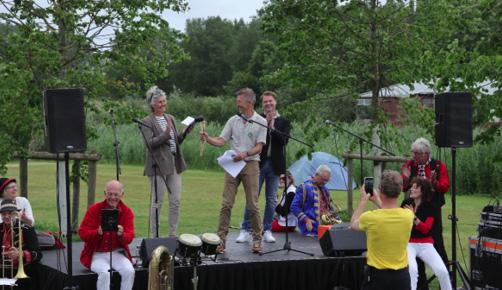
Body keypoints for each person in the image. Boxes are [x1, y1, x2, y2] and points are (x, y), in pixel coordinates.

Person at [200, 87, 267, 253]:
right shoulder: (233, 120)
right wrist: (208, 139)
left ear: (249, 102)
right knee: (226, 204)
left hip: (251, 164)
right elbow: (221, 141)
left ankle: (257, 239)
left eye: (239, 101)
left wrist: (246, 154)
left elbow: (259, 146)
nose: (237, 104)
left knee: (253, 205)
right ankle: (221, 241)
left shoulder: (261, 121)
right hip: (232, 164)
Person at [237, 91, 291, 243]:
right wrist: (265, 124)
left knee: (270, 198)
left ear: (275, 102)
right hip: (257, 163)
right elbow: (252, 139)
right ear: (262, 104)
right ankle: (246, 229)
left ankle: (267, 229)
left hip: (275, 165)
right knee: (252, 197)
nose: (268, 104)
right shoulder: (257, 119)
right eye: (265, 102)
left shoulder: (284, 121)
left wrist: (272, 127)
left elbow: (284, 141)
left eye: (270, 101)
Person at [141, 85, 193, 238]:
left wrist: (183, 134)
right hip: (158, 165)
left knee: (175, 201)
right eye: (159, 102)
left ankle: (172, 234)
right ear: (152, 104)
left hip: (174, 162)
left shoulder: (170, 118)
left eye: (164, 102)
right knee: (158, 202)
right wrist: (166, 133)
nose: (163, 104)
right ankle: (155, 236)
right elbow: (149, 143)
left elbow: (174, 141)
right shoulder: (147, 121)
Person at [350, 170, 414, 290]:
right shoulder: (408, 215)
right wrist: (377, 200)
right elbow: (390, 211)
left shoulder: (371, 217)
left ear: (380, 190)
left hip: (377, 277)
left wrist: (363, 201)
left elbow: (353, 224)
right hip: (401, 277)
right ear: (399, 191)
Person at [401, 137, 450, 289]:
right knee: (414, 239)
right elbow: (404, 188)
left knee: (437, 243)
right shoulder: (411, 164)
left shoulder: (438, 165)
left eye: (417, 153)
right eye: (413, 153)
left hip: (431, 207)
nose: (414, 156)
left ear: (426, 153)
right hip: (415, 206)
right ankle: (421, 285)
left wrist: (435, 183)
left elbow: (445, 187)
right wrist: (407, 179)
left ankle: (446, 279)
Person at [78, 180, 135, 290]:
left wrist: (121, 235)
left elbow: (130, 238)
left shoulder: (127, 212)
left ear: (121, 195)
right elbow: (82, 233)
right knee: (104, 273)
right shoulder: (94, 209)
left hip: (117, 253)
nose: (113, 197)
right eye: (110, 194)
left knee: (129, 271)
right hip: (96, 253)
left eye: (116, 194)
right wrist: (96, 233)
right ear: (105, 193)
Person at [402, 177, 452, 290]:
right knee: (412, 270)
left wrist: (413, 217)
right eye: (411, 187)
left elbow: (425, 229)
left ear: (423, 191)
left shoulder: (431, 207)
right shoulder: (405, 204)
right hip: (409, 243)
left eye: (415, 188)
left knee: (442, 271)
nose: (411, 189)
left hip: (426, 244)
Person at [0, 198, 42, 290]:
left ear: (15, 214)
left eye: (10, 213)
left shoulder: (27, 229)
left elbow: (38, 254)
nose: (7, 216)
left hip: (21, 274)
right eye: (4, 214)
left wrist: (21, 254)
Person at [290, 165, 336, 237]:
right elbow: (294, 207)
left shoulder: (325, 189)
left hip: (327, 223)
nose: (325, 182)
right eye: (323, 179)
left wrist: (336, 219)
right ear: (316, 175)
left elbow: (329, 207)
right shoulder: (305, 187)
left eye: (327, 180)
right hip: (313, 227)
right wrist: (306, 220)